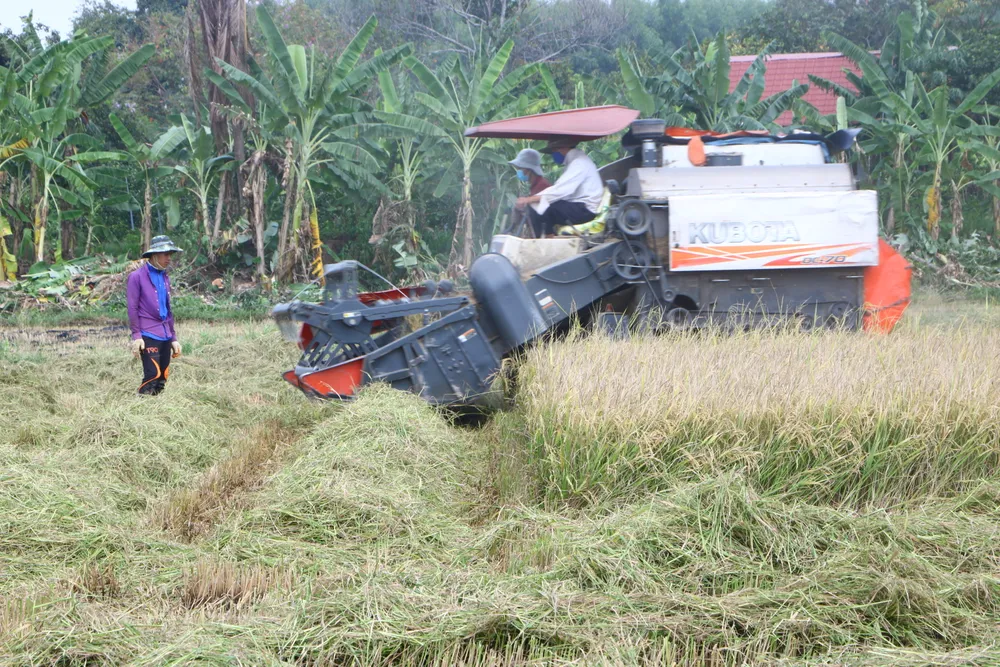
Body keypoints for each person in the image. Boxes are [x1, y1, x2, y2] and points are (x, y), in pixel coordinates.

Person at [127, 235, 183, 395]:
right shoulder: (136, 277)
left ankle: (157, 406)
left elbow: (167, 309)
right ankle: (142, 405)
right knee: (153, 375)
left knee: (162, 376)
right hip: (148, 333)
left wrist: (173, 338)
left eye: (170, 254)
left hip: (165, 333)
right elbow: (132, 308)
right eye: (165, 254)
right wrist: (137, 336)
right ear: (154, 255)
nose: (169, 258)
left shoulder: (164, 277)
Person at [515, 138, 603, 238]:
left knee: (542, 208)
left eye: (554, 150)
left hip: (585, 209)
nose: (553, 154)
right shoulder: (575, 162)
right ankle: (545, 237)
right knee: (541, 206)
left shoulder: (579, 163)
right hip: (578, 206)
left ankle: (546, 240)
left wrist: (529, 199)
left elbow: (560, 190)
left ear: (562, 148)